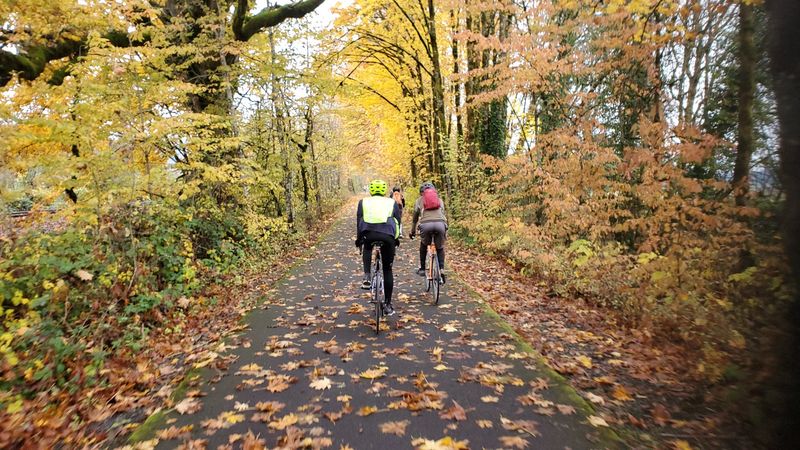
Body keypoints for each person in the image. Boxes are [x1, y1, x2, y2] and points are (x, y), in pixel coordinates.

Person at [356, 179, 402, 316]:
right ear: (384, 191)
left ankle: (367, 276)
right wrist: (396, 239)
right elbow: (397, 222)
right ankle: (387, 304)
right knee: (387, 269)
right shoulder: (392, 202)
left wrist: (359, 240)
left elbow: (359, 221)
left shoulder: (363, 202)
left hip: (368, 234)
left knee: (368, 247)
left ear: (371, 190)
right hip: (388, 236)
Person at [409, 181, 447, 283]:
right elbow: (443, 213)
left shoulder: (419, 201)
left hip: (426, 225)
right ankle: (441, 269)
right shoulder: (439, 200)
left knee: (423, 245)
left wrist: (412, 231)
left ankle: (422, 269)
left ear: (421, 192)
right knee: (440, 247)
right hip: (440, 224)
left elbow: (415, 218)